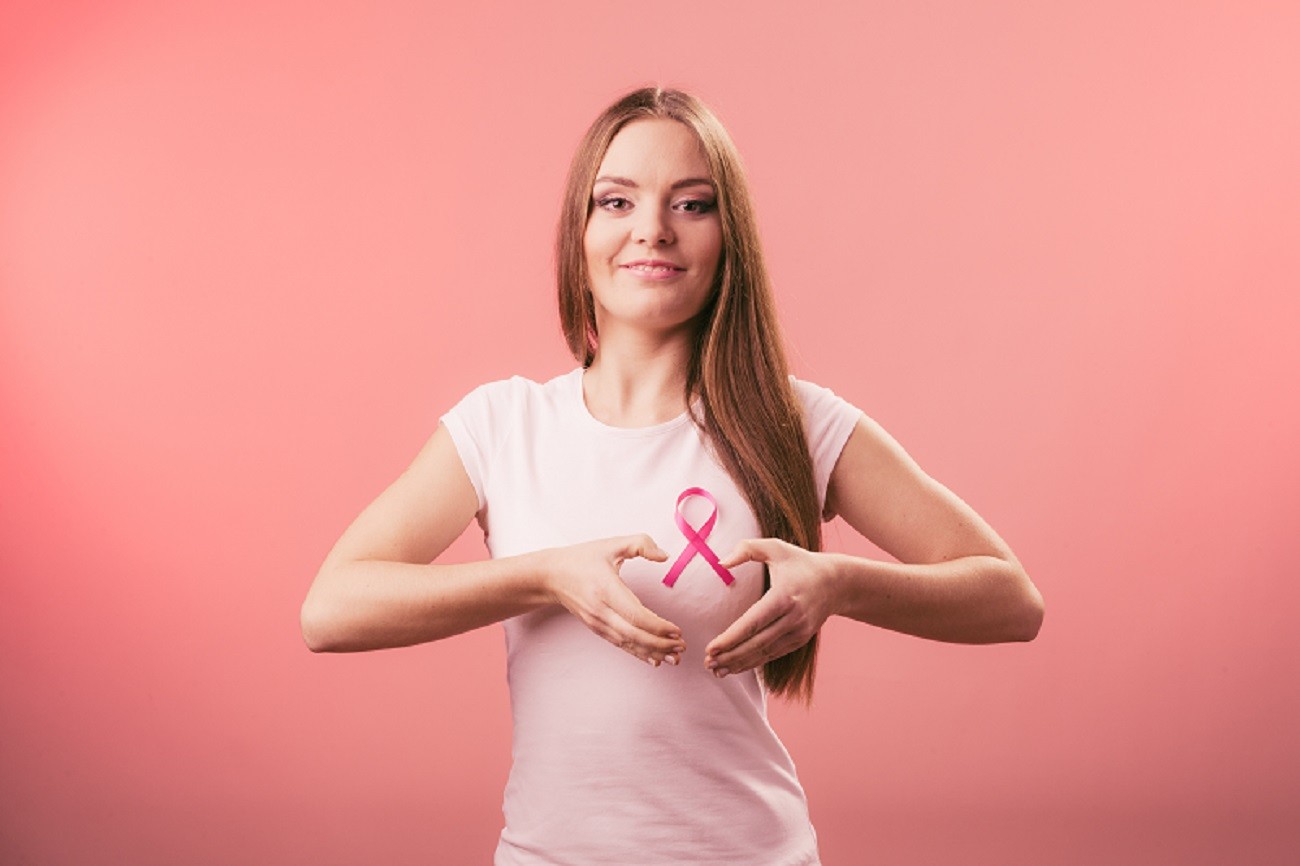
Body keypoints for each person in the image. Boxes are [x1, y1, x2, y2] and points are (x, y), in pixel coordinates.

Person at [301, 86, 1044, 866]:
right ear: (579, 234)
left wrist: (840, 585)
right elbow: (331, 611)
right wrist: (547, 578)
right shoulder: (504, 426)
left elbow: (1010, 598)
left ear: (730, 239)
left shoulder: (795, 421)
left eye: (691, 204)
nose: (651, 230)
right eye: (616, 200)